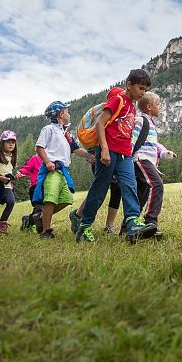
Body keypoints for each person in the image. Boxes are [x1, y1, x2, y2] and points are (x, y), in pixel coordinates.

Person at [74, 69, 157, 243]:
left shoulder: (132, 106)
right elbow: (100, 124)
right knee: (100, 189)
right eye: (140, 88)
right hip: (108, 152)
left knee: (130, 185)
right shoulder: (118, 100)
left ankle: (132, 222)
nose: (143, 93)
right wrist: (104, 149)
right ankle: (84, 227)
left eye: (145, 90)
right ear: (129, 85)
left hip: (125, 154)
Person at [33, 101, 92, 239]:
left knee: (66, 199)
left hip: (63, 170)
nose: (69, 114)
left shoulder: (65, 134)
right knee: (51, 198)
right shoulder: (48, 129)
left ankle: (41, 216)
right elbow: (39, 147)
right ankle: (46, 231)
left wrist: (89, 156)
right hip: (52, 169)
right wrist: (47, 161)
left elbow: (76, 149)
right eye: (67, 111)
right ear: (61, 114)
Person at [131, 91, 177, 237]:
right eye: (158, 104)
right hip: (140, 159)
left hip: (148, 160)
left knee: (142, 195)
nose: (160, 107)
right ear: (149, 106)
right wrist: (125, 159)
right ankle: (150, 222)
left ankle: (129, 227)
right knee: (157, 184)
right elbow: (132, 140)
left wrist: (165, 154)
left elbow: (154, 146)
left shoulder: (150, 123)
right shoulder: (140, 120)